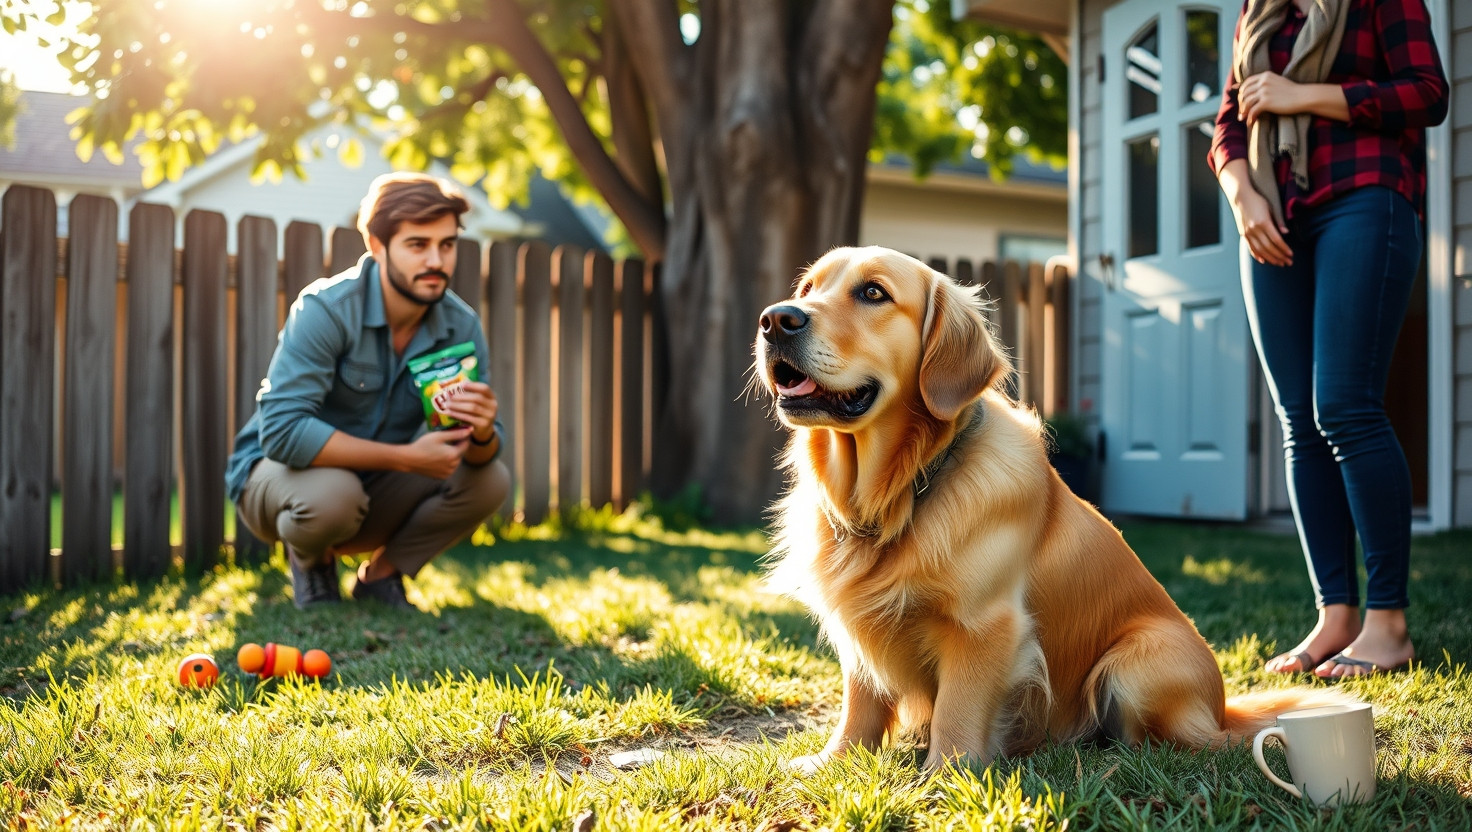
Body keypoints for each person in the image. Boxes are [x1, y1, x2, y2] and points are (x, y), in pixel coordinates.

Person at [1208, 0, 1447, 677]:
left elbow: (1426, 93)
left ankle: (1389, 623)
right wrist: (1242, 197)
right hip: (1273, 215)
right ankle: (1336, 616)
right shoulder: (1261, 11)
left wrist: (1303, 95)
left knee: (1344, 405)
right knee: (1298, 422)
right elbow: (1229, 121)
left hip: (1365, 196)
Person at [225, 172, 510, 610]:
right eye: (418, 244)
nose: (437, 260)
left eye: (447, 244)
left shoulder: (460, 325)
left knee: (490, 480)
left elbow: (477, 454)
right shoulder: (325, 309)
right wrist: (406, 458)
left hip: (372, 488)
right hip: (279, 481)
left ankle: (381, 576)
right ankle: (312, 563)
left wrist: (484, 432)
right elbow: (281, 432)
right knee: (332, 495)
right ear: (377, 246)